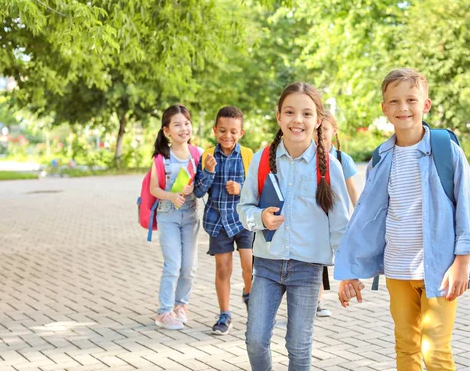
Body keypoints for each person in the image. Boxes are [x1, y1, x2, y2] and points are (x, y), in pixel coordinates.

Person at [335, 68, 470, 371]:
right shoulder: (381, 158)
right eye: (395, 101)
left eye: (411, 100)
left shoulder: (446, 150)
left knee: (436, 350)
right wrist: (350, 270)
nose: (403, 108)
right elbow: (366, 219)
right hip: (397, 271)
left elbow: (467, 208)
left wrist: (462, 264)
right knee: (406, 346)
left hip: (440, 270)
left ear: (425, 105)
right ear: (385, 108)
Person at [238, 82, 350, 370]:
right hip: (267, 264)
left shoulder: (330, 167)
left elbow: (341, 226)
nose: (297, 120)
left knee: (299, 347)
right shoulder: (263, 159)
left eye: (306, 113)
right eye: (289, 112)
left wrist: (350, 273)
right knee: (255, 339)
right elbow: (244, 207)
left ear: (318, 121)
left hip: (308, 268)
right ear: (278, 116)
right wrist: (260, 218)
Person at [194, 106, 254, 335]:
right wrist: (208, 172)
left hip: (243, 221)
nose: (227, 136)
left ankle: (250, 299)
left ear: (241, 132)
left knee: (249, 266)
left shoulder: (248, 155)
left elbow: (257, 191)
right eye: (222, 130)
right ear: (214, 130)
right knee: (223, 268)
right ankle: (225, 314)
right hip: (218, 222)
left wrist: (241, 189)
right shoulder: (207, 155)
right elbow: (198, 193)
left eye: (233, 131)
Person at [149, 104, 201, 330]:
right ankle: (163, 312)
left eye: (187, 123)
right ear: (167, 130)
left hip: (190, 216)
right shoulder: (161, 158)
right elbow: (153, 189)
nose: (184, 128)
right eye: (177, 124)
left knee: (189, 266)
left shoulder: (197, 154)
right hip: (168, 216)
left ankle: (181, 306)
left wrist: (195, 187)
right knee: (173, 264)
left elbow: (203, 183)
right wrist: (171, 196)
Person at [315, 110, 360, 317]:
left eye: (324, 129)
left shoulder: (342, 159)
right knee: (318, 260)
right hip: (316, 218)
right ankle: (316, 301)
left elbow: (352, 191)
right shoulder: (309, 156)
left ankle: (318, 298)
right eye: (318, 129)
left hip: (337, 218)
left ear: (334, 131)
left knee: (328, 259)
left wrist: (360, 218)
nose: (320, 133)